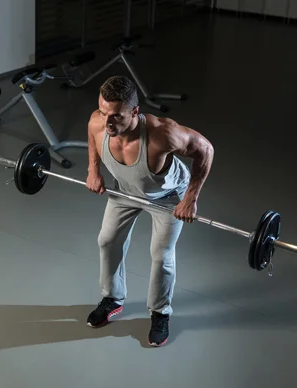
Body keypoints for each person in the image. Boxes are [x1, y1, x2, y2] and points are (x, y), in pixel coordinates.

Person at [85, 76, 214, 346]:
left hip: (167, 198)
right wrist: (93, 170)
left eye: (116, 116)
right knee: (107, 241)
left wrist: (190, 198)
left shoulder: (162, 134)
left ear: (134, 112)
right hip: (124, 192)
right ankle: (112, 298)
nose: (107, 122)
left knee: (161, 255)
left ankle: (159, 312)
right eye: (103, 111)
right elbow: (92, 135)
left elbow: (205, 149)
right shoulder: (99, 121)